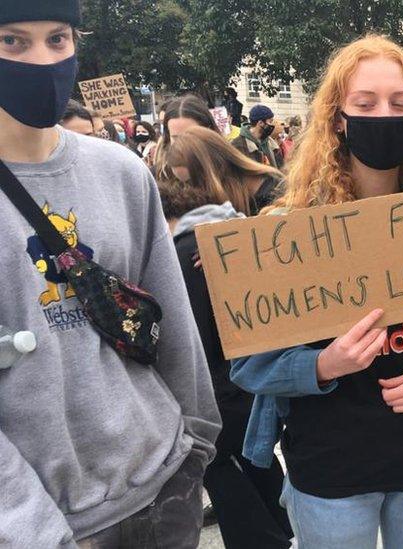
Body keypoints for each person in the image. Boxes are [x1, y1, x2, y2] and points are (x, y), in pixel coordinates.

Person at [229, 35, 403, 549]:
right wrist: (324, 365)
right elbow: (248, 366)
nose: (384, 116)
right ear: (339, 120)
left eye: (400, 104)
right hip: (330, 469)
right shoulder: (288, 231)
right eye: (365, 104)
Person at [0, 3, 220, 546]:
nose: (42, 59)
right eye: (12, 41)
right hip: (49, 522)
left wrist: (194, 444)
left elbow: (173, 321)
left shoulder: (120, 171)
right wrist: (29, 528)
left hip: (164, 484)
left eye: (57, 39)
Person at [162, 126, 293, 549]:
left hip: (230, 382)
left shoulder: (270, 191)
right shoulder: (211, 236)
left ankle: (275, 532)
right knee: (252, 461)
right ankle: (286, 525)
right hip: (243, 376)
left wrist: (240, 252)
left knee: (231, 469)